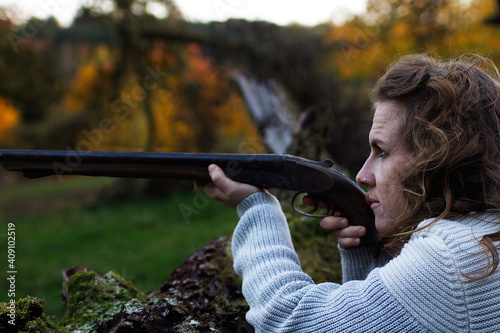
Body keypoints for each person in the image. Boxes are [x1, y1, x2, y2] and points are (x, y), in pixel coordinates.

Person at [195, 54, 500, 332]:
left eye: (381, 151)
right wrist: (368, 256)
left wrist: (257, 207)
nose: (361, 176)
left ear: (435, 157)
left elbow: (287, 319)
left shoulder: (451, 257)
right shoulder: (479, 236)